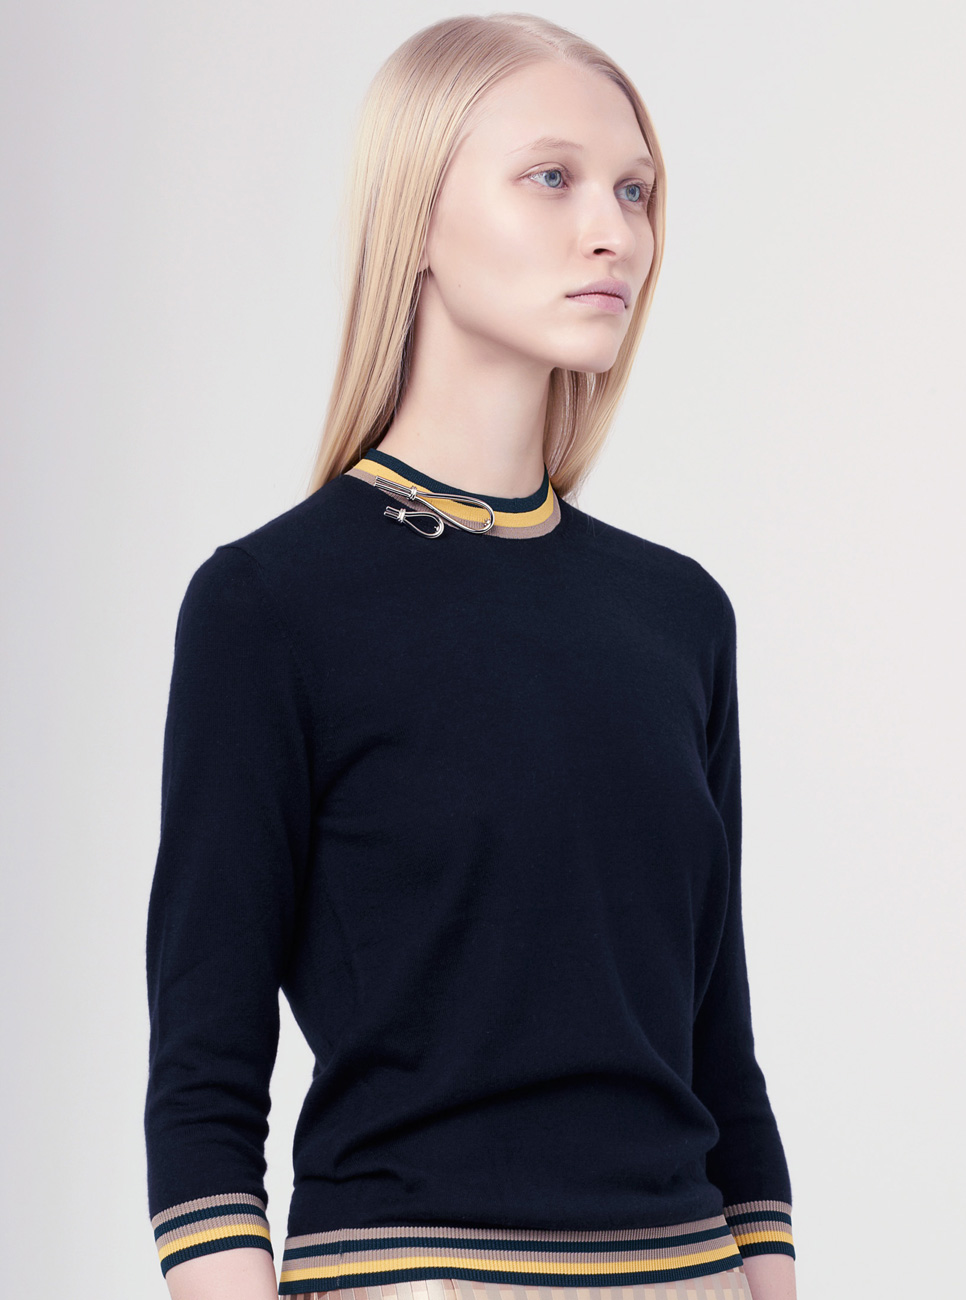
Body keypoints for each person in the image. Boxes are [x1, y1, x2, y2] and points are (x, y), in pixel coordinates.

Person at [143, 13, 797, 1300]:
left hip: (693, 1272)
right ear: (416, 219)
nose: (613, 231)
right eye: (551, 177)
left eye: (634, 190)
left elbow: (719, 1054)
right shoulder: (271, 605)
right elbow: (202, 1080)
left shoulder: (678, 614)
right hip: (419, 1271)